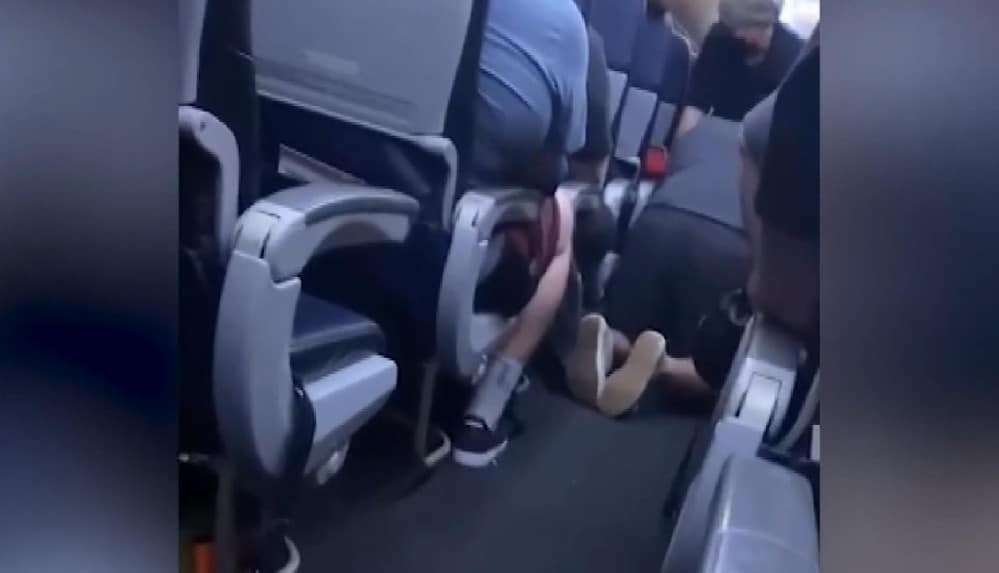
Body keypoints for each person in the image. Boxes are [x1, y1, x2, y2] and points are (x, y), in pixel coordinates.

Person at [566, 29, 819, 414]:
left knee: (630, 320)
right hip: (727, 243)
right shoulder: (799, 130)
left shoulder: (712, 123)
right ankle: (662, 366)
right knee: (724, 366)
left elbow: (687, 141)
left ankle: (612, 341)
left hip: (661, 217)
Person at [673, 0, 803, 135]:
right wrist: (678, 141)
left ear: (761, 23)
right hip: (722, 130)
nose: (736, 35)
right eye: (733, 29)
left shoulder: (793, 56)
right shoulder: (721, 37)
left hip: (764, 138)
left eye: (741, 29)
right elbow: (696, 101)